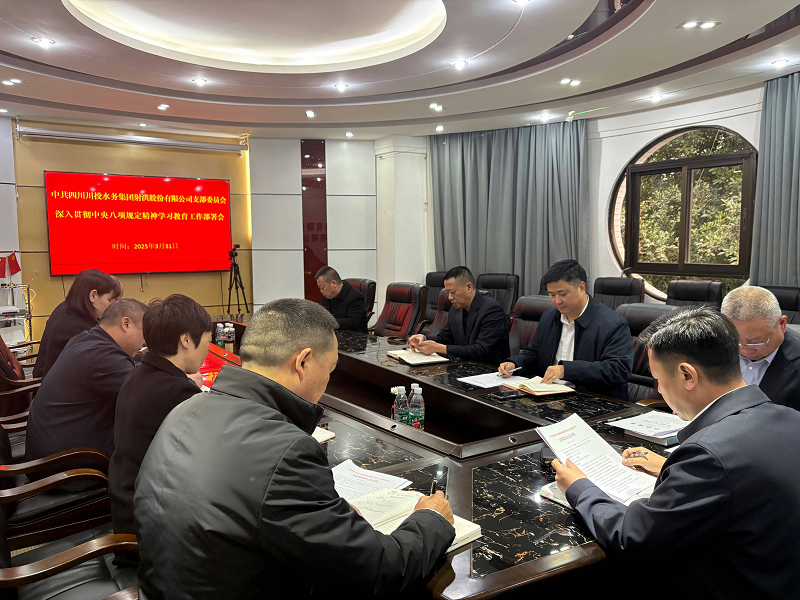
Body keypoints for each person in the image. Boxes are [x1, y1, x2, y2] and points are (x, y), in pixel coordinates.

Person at [134, 299, 455, 599]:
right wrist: (430, 519)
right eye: (329, 370)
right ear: (302, 362)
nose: (327, 381)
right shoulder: (287, 452)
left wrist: (327, 515)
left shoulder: (185, 409)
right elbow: (379, 570)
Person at [552, 307, 800, 599]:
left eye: (658, 379)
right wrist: (671, 466)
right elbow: (747, 480)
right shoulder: (790, 417)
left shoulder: (708, 455)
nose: (658, 389)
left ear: (687, 375)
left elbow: (633, 536)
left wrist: (579, 487)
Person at [109, 295, 212, 541]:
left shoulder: (139, 373)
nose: (208, 348)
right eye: (208, 340)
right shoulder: (178, 392)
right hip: (151, 527)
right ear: (186, 340)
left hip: (126, 505)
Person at [25, 298, 147, 464]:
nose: (145, 341)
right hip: (68, 465)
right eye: (144, 331)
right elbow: (147, 393)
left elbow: (126, 367)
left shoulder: (85, 339)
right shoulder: (103, 357)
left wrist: (143, 357)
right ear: (126, 324)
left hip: (48, 450)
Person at [498, 260, 632, 400]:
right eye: (552, 295)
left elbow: (618, 370)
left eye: (562, 294)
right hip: (549, 395)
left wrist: (566, 370)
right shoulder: (549, 317)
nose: (557, 301)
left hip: (591, 401)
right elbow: (534, 354)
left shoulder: (611, 323)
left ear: (581, 288)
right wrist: (514, 363)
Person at [408, 266, 510, 366]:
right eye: (447, 293)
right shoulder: (455, 309)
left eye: (453, 292)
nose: (450, 297)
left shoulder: (492, 310)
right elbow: (444, 338)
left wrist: (439, 348)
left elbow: (480, 350)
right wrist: (423, 339)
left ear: (469, 287)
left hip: (490, 369)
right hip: (465, 365)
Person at [721, 285, 800, 411]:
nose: (744, 350)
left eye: (756, 342)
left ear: (782, 324)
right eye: (735, 341)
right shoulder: (711, 345)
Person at [33, 269, 123, 379]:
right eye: (109, 300)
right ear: (93, 296)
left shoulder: (65, 308)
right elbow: (106, 362)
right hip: (59, 384)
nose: (111, 307)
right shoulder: (77, 327)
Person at [315, 266, 369, 333]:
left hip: (354, 336)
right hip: (333, 334)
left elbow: (352, 322)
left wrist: (327, 321)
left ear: (334, 283)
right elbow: (322, 315)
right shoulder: (327, 296)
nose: (321, 291)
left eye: (323, 288)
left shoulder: (356, 297)